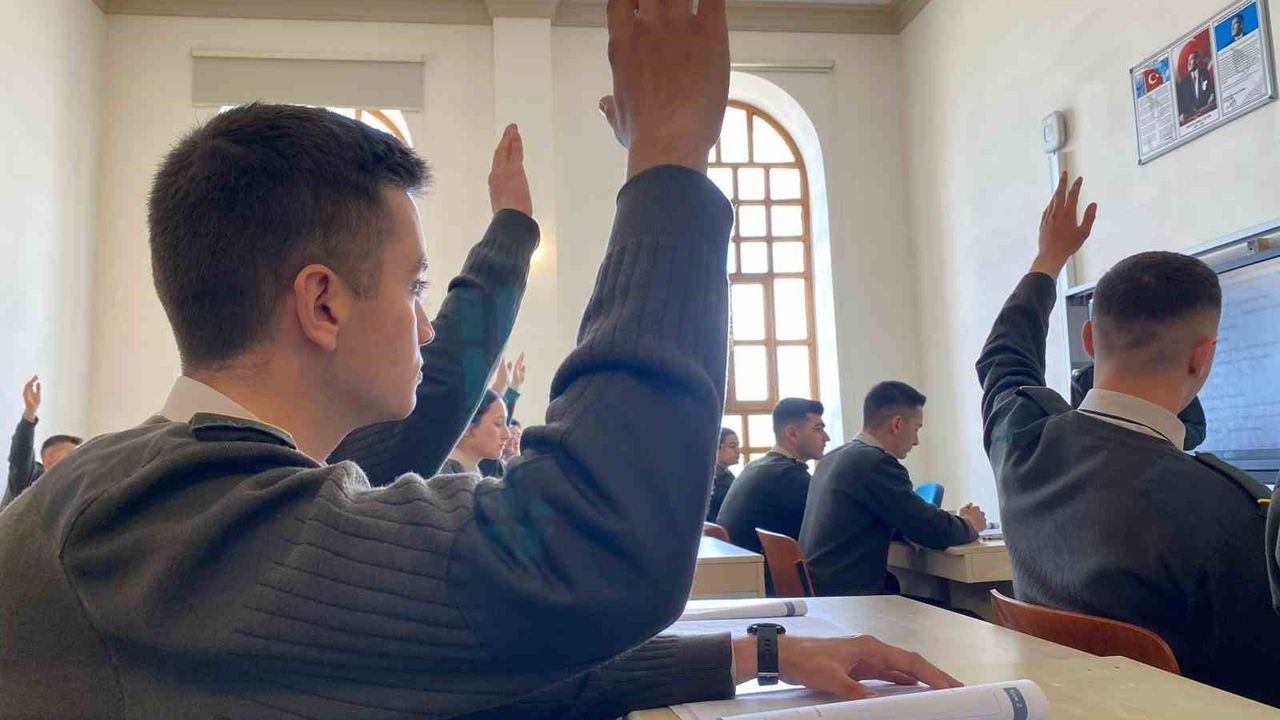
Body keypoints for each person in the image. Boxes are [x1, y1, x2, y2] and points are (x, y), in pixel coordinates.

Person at [0, 2, 963, 714]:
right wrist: (670, 156)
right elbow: (590, 555)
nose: (427, 328)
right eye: (414, 289)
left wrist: (758, 655)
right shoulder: (163, 520)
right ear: (323, 304)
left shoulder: (184, 499)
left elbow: (455, 659)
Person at [977, 172, 1280, 707]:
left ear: (1089, 340)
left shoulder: (1019, 442)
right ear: (1202, 357)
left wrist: (1049, 259)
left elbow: (1002, 359)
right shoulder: (1232, 511)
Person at [800, 382, 985, 597]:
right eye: (916, 429)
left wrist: (904, 530)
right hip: (852, 603)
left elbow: (856, 521)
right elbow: (932, 529)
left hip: (824, 595)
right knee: (969, 614)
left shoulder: (832, 459)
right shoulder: (873, 462)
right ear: (897, 424)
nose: (916, 441)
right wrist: (970, 524)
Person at [717, 398, 828, 556]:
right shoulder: (789, 476)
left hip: (738, 566)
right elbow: (826, 529)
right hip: (757, 569)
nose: (826, 437)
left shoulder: (756, 466)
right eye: (818, 429)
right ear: (792, 433)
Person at [1070, 362, 1206, 450]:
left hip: (1163, 463)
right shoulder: (1086, 378)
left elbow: (1197, 430)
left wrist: (1160, 433)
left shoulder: (1173, 375)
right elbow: (1080, 432)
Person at [3, 375, 81, 508]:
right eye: (72, 455)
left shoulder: (67, 493)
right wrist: (30, 413)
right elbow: (21, 455)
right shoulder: (29, 477)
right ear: (51, 455)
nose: (77, 462)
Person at [441, 388, 510, 475]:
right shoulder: (445, 476)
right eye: (498, 423)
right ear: (466, 427)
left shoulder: (468, 472)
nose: (507, 435)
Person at [707, 427, 740, 522]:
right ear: (717, 448)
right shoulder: (721, 478)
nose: (738, 451)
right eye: (732, 446)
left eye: (738, 445)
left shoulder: (721, 473)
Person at [1177, 49, 1216, 123]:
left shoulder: (1205, 73)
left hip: (1206, 112)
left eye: (1192, 59)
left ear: (1197, 60)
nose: (1189, 63)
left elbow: (1211, 89)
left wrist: (1212, 96)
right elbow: (1182, 102)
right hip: (1191, 118)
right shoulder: (1184, 81)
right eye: (1188, 60)